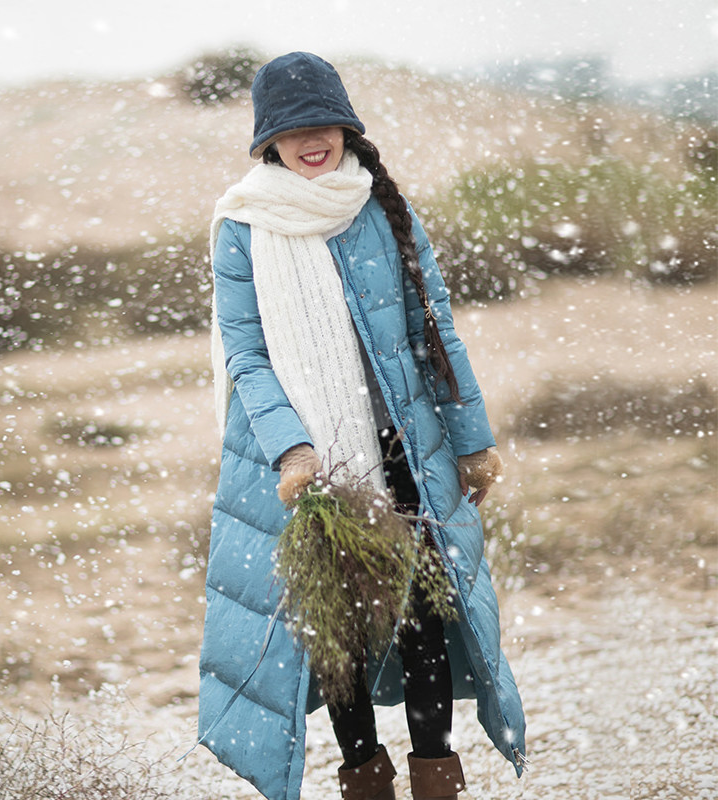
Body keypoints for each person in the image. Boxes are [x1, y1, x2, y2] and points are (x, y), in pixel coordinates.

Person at [198, 52, 526, 800]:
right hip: (311, 464)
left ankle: (436, 778)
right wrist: (293, 449)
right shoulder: (244, 225)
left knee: (422, 617)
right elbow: (247, 356)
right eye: (292, 130)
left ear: (347, 129)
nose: (311, 141)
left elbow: (435, 331)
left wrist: (472, 441)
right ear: (268, 143)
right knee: (337, 630)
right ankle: (364, 779)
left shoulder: (378, 209)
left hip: (404, 448)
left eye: (324, 124)